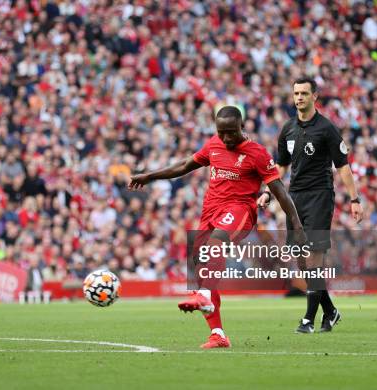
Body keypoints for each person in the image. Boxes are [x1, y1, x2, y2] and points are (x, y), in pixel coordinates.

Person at [129, 106, 307, 349]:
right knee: (202, 264)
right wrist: (150, 176)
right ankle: (218, 334)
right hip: (210, 212)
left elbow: (280, 192)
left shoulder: (258, 154)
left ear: (241, 127)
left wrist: (296, 225)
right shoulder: (214, 144)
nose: (226, 138)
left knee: (216, 244)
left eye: (231, 133)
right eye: (221, 133)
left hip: (240, 211)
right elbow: (183, 166)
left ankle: (203, 295)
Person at [257, 77, 364, 333]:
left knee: (313, 257)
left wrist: (355, 198)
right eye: (296, 93)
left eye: (304, 93)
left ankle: (308, 319)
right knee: (303, 262)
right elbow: (281, 166)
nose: (299, 97)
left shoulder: (326, 128)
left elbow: (343, 165)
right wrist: (269, 192)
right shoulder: (288, 129)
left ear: (315, 96)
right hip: (295, 199)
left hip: (320, 196)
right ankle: (331, 311)